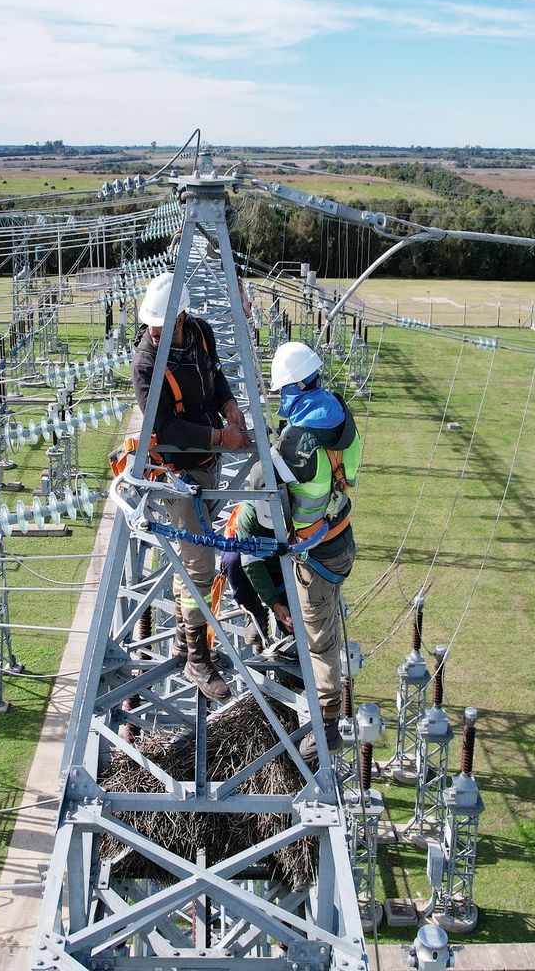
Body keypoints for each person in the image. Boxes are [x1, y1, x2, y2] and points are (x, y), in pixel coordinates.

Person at [131, 271, 251, 700]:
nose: (155, 331)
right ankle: (197, 660)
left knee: (193, 560)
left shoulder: (200, 333)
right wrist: (222, 437)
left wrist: (229, 405)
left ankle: (185, 637)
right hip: (177, 476)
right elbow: (161, 427)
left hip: (207, 462)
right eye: (152, 325)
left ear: (182, 316)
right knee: (198, 565)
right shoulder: (147, 363)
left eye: (162, 324)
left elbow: (214, 377)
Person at [269, 341, 362, 761]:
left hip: (317, 554)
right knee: (323, 624)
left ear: (294, 386)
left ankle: (326, 728)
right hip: (340, 537)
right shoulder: (340, 414)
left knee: (321, 641)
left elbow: (267, 480)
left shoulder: (297, 439)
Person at [217, 465, 294, 653]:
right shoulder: (249, 513)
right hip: (255, 562)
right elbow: (251, 563)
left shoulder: (298, 503)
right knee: (232, 560)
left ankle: (294, 649)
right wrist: (274, 604)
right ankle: (255, 612)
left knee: (293, 622)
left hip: (286, 563)